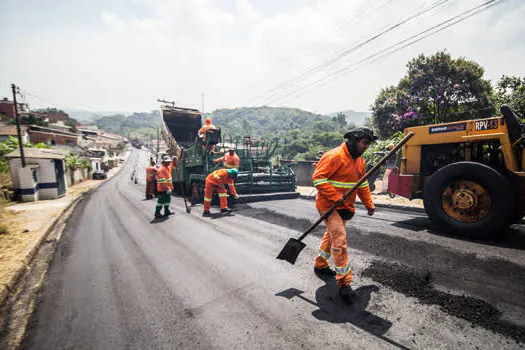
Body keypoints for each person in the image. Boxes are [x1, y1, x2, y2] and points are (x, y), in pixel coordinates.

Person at [312, 127, 377, 301]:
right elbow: (318, 179)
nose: (366, 147)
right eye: (364, 143)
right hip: (328, 205)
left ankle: (320, 263)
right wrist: (335, 197)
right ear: (354, 140)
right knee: (339, 238)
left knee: (332, 234)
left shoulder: (360, 161)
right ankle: (344, 282)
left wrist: (369, 204)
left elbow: (362, 185)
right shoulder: (334, 156)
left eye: (368, 144)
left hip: (345, 206)